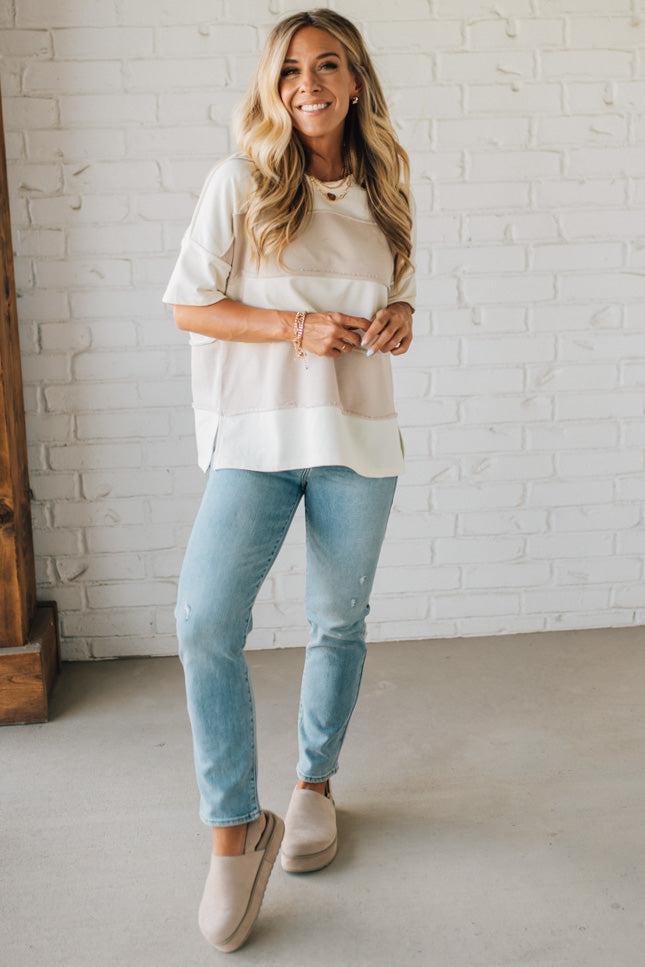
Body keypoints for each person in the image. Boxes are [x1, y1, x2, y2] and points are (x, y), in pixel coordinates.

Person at [161, 8, 416, 954]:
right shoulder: (239, 181)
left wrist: (398, 316)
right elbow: (190, 305)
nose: (307, 84)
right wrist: (292, 329)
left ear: (353, 82)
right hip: (255, 440)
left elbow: (392, 285)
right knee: (203, 619)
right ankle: (235, 830)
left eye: (327, 66)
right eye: (289, 71)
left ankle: (313, 785)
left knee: (336, 621)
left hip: (357, 435)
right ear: (273, 89)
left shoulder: (385, 184)